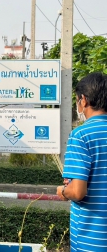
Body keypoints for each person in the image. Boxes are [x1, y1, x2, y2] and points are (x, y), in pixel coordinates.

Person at [56, 72, 107, 251]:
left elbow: (77, 192)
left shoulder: (81, 135)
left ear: (83, 100)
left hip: (91, 239)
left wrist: (63, 190)